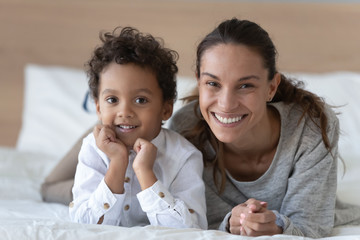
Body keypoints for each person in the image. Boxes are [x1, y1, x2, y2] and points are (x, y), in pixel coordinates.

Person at [41, 19, 360, 237]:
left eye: (245, 85)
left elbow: (311, 225)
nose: (226, 104)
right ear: (198, 81)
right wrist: (116, 138)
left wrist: (269, 224)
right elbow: (206, 219)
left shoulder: (310, 127)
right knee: (58, 184)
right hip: (113, 158)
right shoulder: (187, 126)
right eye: (213, 83)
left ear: (271, 87)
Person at [65, 26, 207, 229]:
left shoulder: (185, 156)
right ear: (98, 108)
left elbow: (190, 230)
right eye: (112, 99)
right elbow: (82, 225)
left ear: (166, 109)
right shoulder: (92, 148)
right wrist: (117, 163)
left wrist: (144, 171)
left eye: (140, 100)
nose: (125, 111)